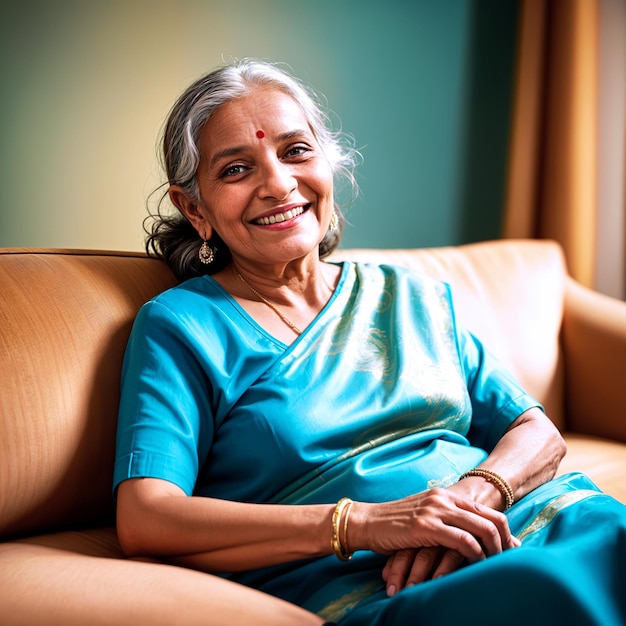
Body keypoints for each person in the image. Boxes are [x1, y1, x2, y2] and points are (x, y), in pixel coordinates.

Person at [114, 59, 626, 625]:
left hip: (519, 523)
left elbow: (535, 432)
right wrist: (370, 523)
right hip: (373, 578)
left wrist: (467, 504)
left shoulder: (410, 295)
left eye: (296, 151)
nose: (278, 183)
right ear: (194, 208)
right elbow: (147, 518)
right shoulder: (181, 325)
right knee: (542, 591)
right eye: (236, 169)